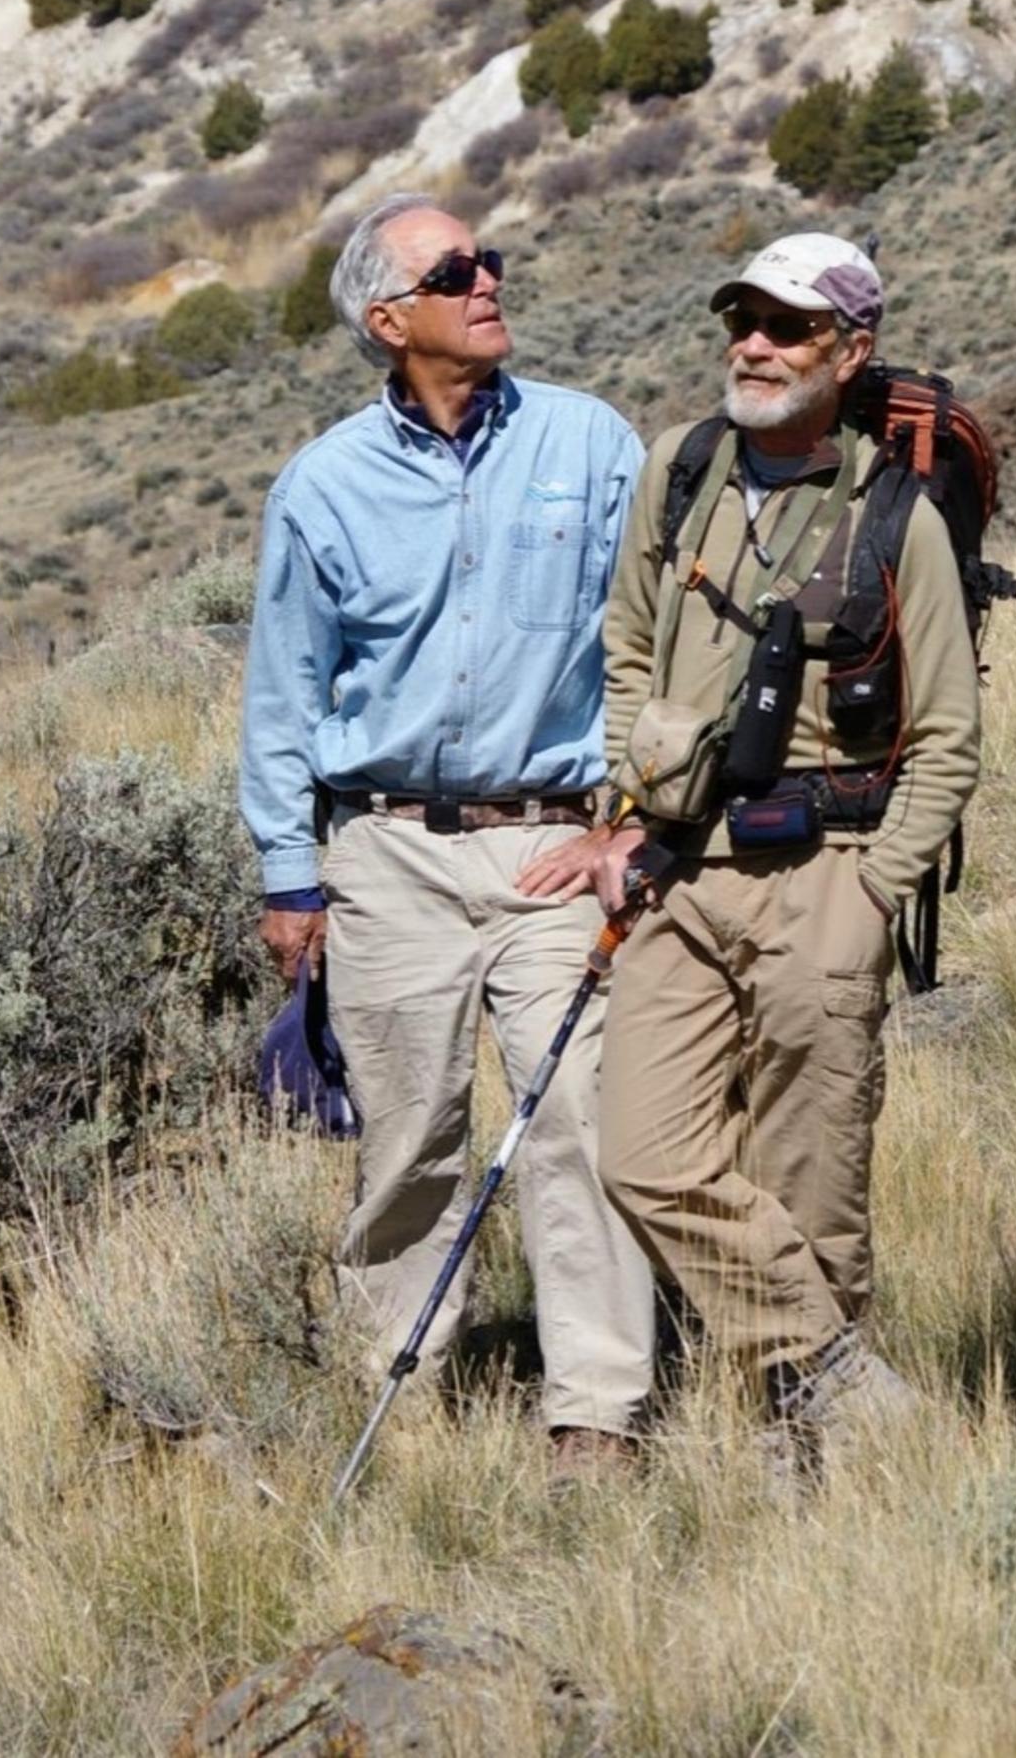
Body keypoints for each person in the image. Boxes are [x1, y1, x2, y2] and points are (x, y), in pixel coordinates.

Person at [239, 193, 654, 1473]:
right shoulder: (322, 486)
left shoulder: (593, 445)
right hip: (387, 854)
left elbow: (650, 642)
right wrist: (289, 872)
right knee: (411, 1129)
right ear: (388, 319)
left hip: (554, 843)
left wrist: (639, 815)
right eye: (458, 270)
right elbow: (283, 689)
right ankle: (402, 1378)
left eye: (492, 261)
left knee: (576, 1109)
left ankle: (595, 1407)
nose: (491, 282)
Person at [583, 232, 982, 1449]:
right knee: (642, 1155)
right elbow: (627, 653)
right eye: (742, 318)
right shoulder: (682, 467)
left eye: (787, 325)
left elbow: (950, 738)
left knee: (817, 1181)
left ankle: (806, 1448)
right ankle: (838, 1372)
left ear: (849, 351)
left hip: (828, 869)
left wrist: (873, 893)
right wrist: (621, 812)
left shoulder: (896, 513)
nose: (752, 344)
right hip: (678, 869)